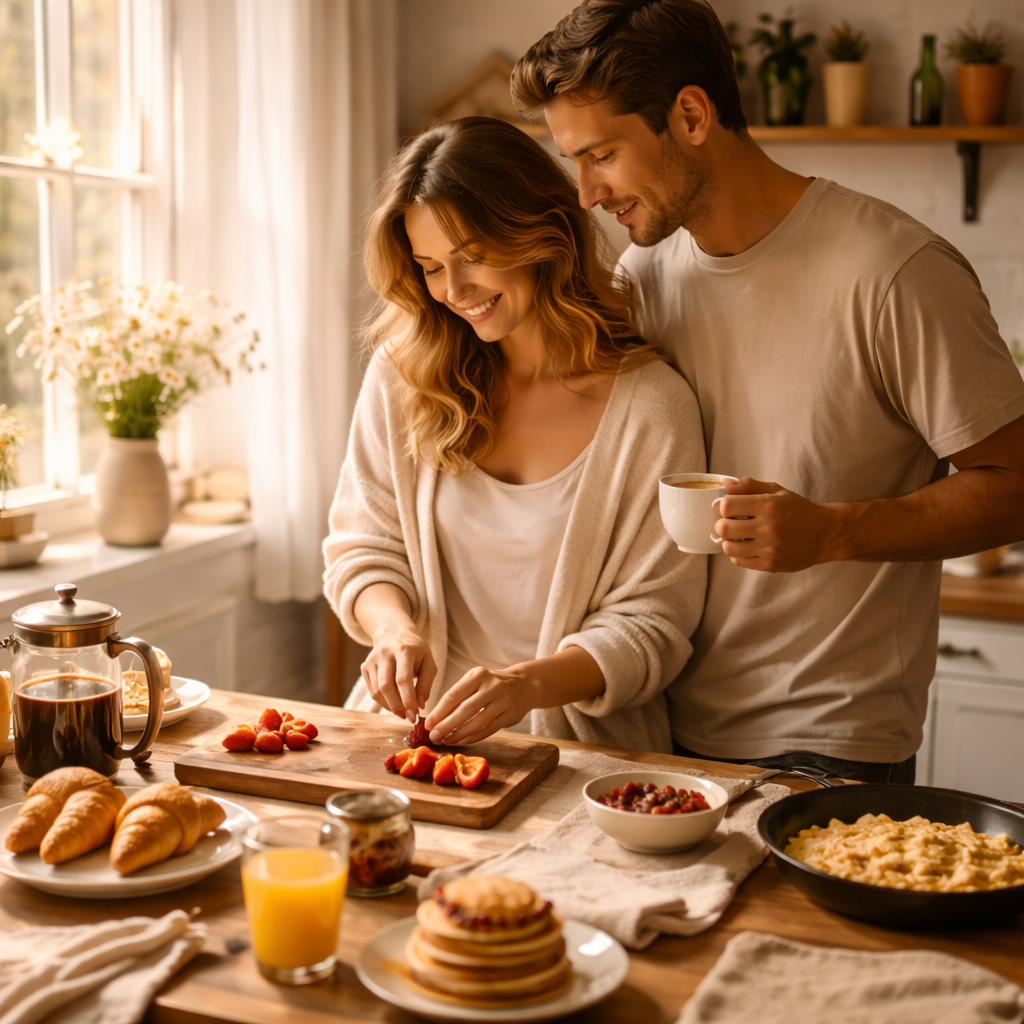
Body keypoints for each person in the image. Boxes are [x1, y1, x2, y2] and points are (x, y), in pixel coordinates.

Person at [511, 0, 1024, 782]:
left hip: (831, 740)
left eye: (602, 154)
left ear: (689, 115)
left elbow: (1014, 485)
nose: (586, 192)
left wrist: (834, 531)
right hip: (657, 719)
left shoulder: (893, 272)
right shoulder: (643, 277)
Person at [322, 116, 706, 753]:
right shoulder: (404, 374)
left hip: (584, 761)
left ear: (543, 233)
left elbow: (653, 626)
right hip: (404, 741)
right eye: (430, 267)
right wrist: (394, 631)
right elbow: (363, 546)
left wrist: (525, 686)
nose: (454, 291)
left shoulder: (652, 408)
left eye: (473, 257)